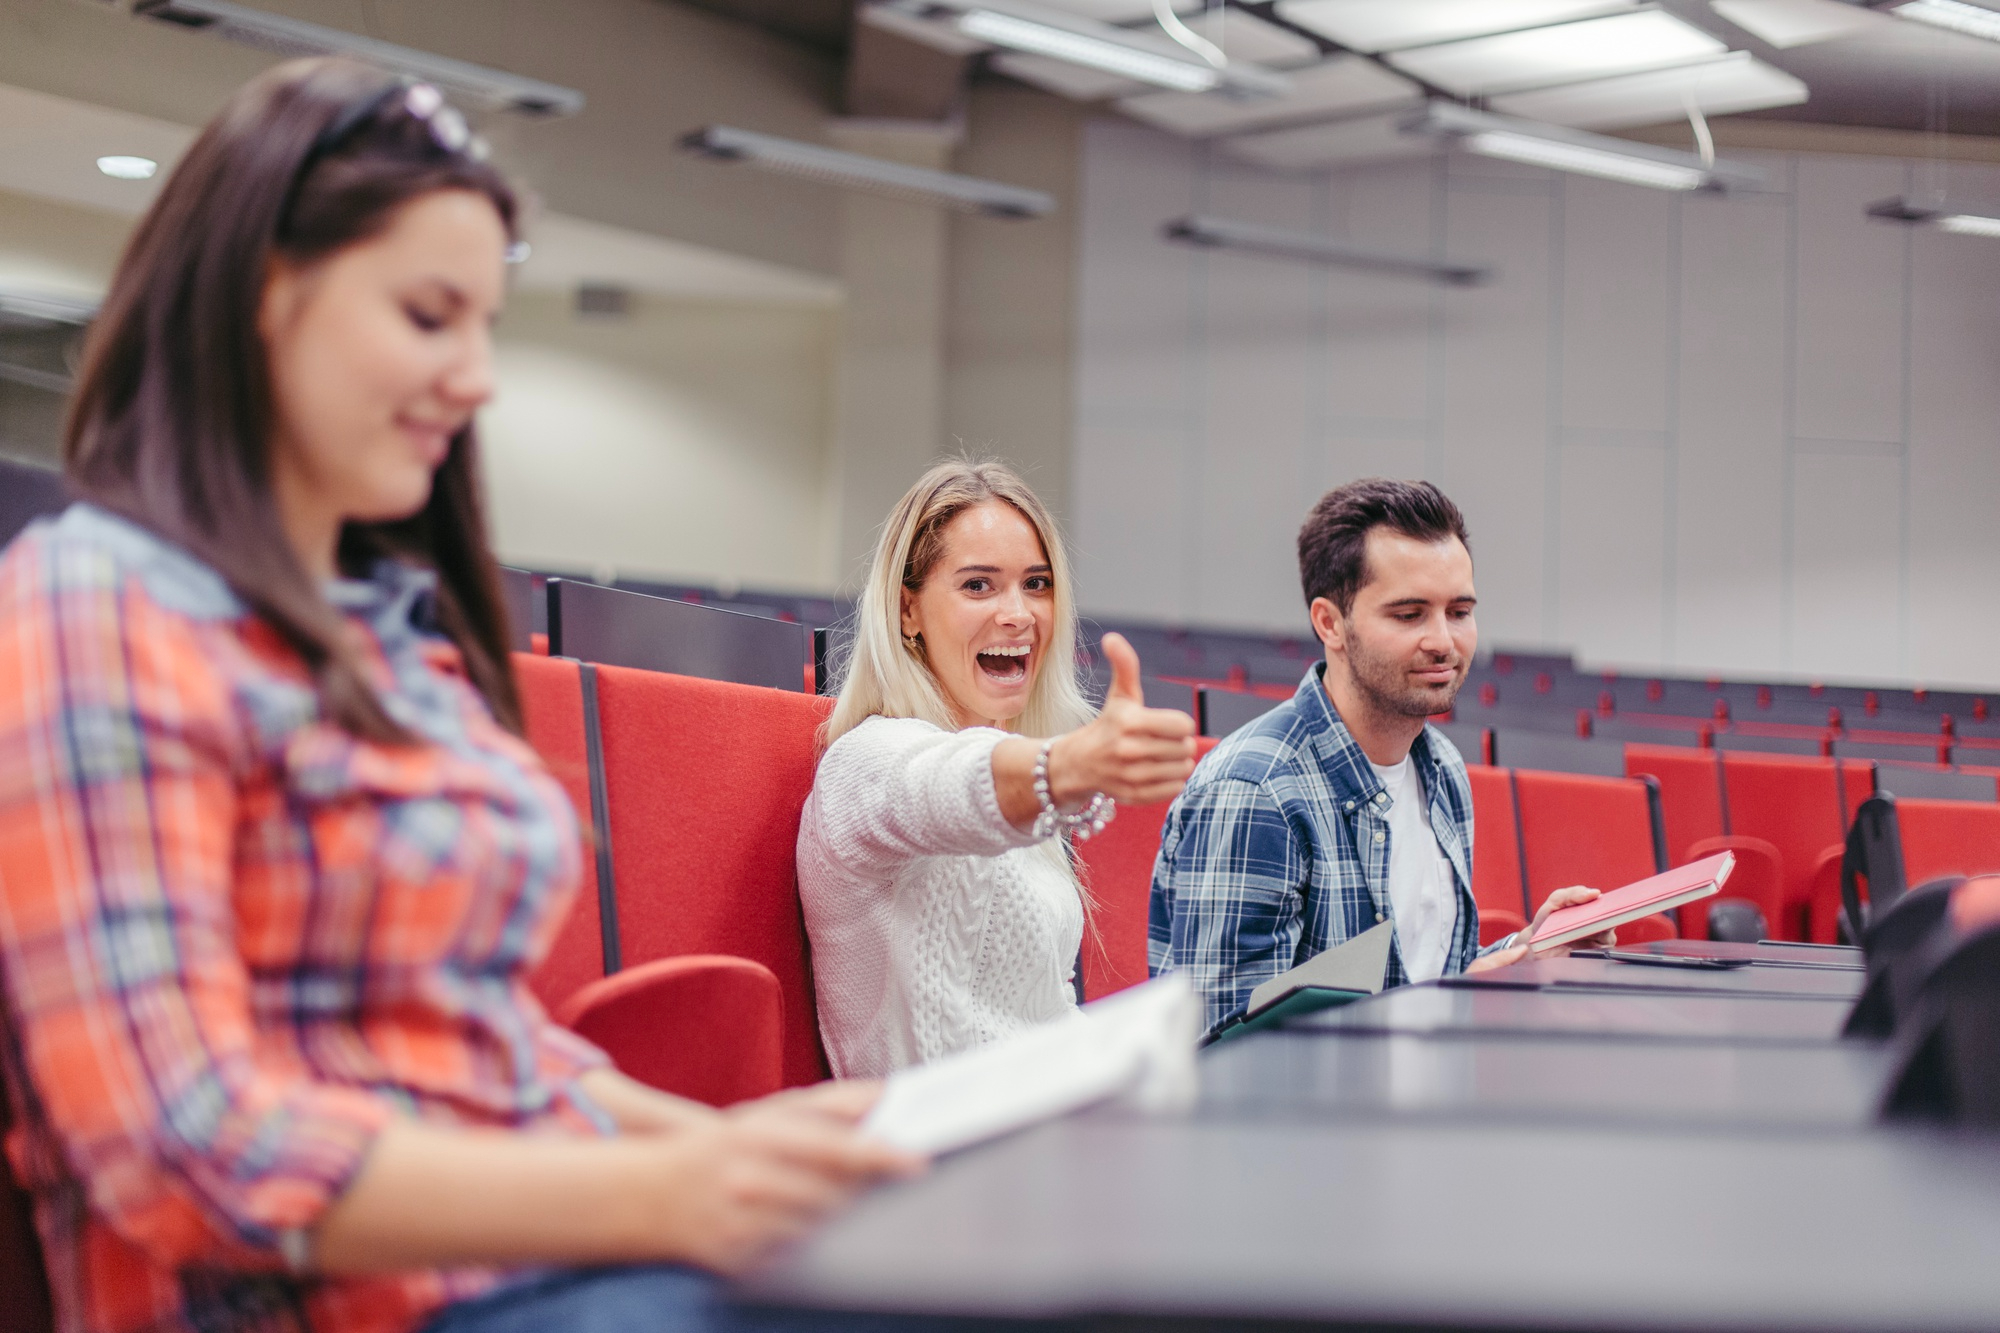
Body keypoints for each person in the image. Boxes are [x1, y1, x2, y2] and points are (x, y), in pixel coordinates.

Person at [0, 58, 921, 1333]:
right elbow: (181, 1140)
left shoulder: (373, 632)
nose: (477, 377)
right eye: (431, 317)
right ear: (263, 293)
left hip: (519, 1275)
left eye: (486, 326)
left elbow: (483, 1051)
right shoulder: (99, 606)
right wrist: (659, 1196)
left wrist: (753, 1152)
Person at [1148, 479, 1608, 1034]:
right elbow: (1221, 1048)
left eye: (1458, 612)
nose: (1444, 641)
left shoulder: (1442, 770)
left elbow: (1421, 974)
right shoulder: (1257, 792)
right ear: (1330, 624)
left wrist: (1526, 951)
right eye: (1409, 615)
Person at [798, 460, 1198, 1079]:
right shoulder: (866, 761)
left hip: (1044, 1133)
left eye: (1036, 584)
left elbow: (1045, 1015)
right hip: (934, 1154)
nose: (1019, 614)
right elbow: (944, 785)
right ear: (908, 612)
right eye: (978, 586)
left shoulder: (1017, 779)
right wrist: (1069, 764)